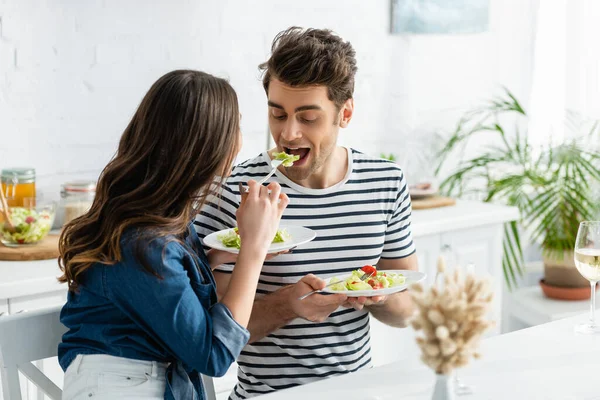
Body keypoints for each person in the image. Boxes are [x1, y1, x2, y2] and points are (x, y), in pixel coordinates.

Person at [195, 27, 418, 399]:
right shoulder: (234, 188)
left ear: (344, 113)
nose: (288, 134)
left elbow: (408, 309)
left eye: (308, 118)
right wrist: (287, 306)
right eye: (277, 114)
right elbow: (210, 328)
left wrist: (377, 293)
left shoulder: (386, 182)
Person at [57, 69, 289, 400]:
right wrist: (253, 247)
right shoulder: (145, 244)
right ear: (204, 147)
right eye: (234, 127)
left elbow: (155, 295)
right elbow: (214, 354)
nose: (238, 140)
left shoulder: (152, 222)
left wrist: (214, 256)